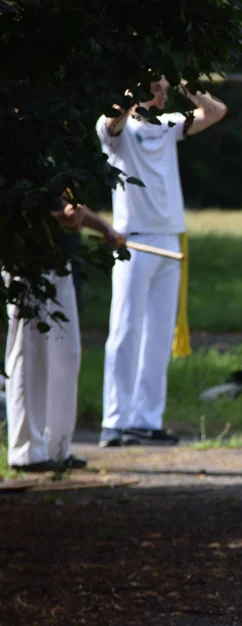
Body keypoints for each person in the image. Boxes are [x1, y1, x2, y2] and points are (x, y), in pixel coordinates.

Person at [96, 76, 228, 447]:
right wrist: (131, 94)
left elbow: (215, 112)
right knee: (125, 331)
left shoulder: (168, 125)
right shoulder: (119, 128)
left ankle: (146, 419)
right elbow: (110, 124)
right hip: (133, 238)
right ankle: (115, 420)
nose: (162, 90)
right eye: (155, 85)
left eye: (164, 85)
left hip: (170, 237)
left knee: (157, 336)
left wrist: (188, 85)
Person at [5, 199, 124, 471]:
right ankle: (26, 453)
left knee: (66, 357)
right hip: (28, 260)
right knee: (28, 354)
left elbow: (72, 206)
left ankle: (57, 447)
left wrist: (103, 227)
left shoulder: (60, 163)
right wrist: (59, 217)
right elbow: (14, 213)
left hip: (61, 260)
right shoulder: (21, 163)